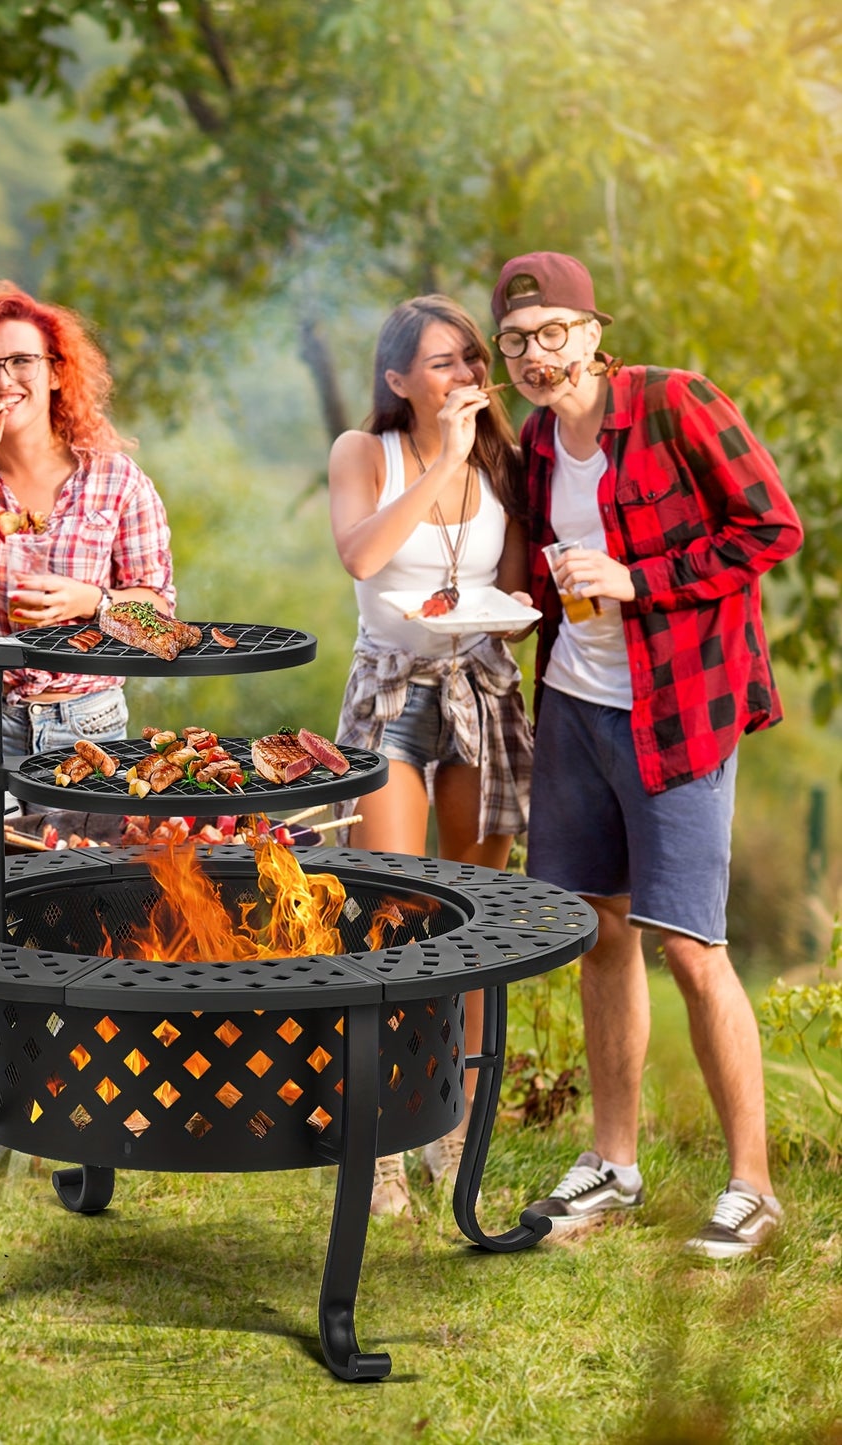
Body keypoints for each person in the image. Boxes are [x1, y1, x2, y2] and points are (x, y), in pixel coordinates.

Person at [490, 251, 803, 1259]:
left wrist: (641, 578)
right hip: (575, 704)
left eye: (549, 334)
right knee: (598, 931)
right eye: (514, 344)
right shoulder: (538, 443)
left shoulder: (674, 405)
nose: (534, 357)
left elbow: (770, 527)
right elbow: (549, 576)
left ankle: (750, 1185)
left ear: (591, 329)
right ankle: (611, 1161)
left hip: (678, 710)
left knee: (688, 946)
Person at [0, 282, 176, 1204]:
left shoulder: (113, 477)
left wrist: (91, 602)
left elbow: (162, 621)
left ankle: (79, 1122)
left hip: (85, 730)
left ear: (57, 374)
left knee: (84, 932)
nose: (5, 377)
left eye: (23, 361)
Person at [328, 295, 532, 1217]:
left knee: (475, 916)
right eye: (441, 363)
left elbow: (516, 587)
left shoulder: (504, 459)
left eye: (469, 360)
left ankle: (451, 1129)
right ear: (398, 378)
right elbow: (362, 559)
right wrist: (441, 459)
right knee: (389, 911)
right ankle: (378, 1140)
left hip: (481, 688)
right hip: (391, 694)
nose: (463, 378)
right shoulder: (363, 453)